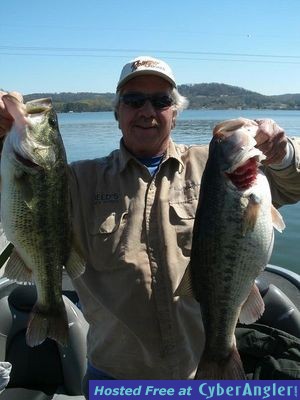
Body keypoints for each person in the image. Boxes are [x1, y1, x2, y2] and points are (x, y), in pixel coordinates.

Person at [0, 56, 300, 396]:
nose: (147, 110)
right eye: (133, 100)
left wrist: (283, 152)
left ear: (175, 112)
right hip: (115, 377)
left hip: (200, 372)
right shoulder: (77, 180)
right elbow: (28, 196)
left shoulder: (218, 163)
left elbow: (292, 184)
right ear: (117, 112)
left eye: (161, 101)